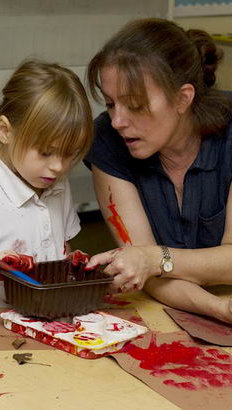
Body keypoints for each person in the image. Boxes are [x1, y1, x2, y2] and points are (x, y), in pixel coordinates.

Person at [84, 18, 232, 323]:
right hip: (178, 307)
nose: (117, 121)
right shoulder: (108, 141)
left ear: (182, 98)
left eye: (135, 105)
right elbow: (142, 271)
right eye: (111, 104)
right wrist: (219, 310)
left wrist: (155, 258)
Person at [0, 59, 93, 316]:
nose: (58, 167)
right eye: (45, 152)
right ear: (5, 131)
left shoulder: (55, 183)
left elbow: (58, 249)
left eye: (69, 154)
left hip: (42, 322)